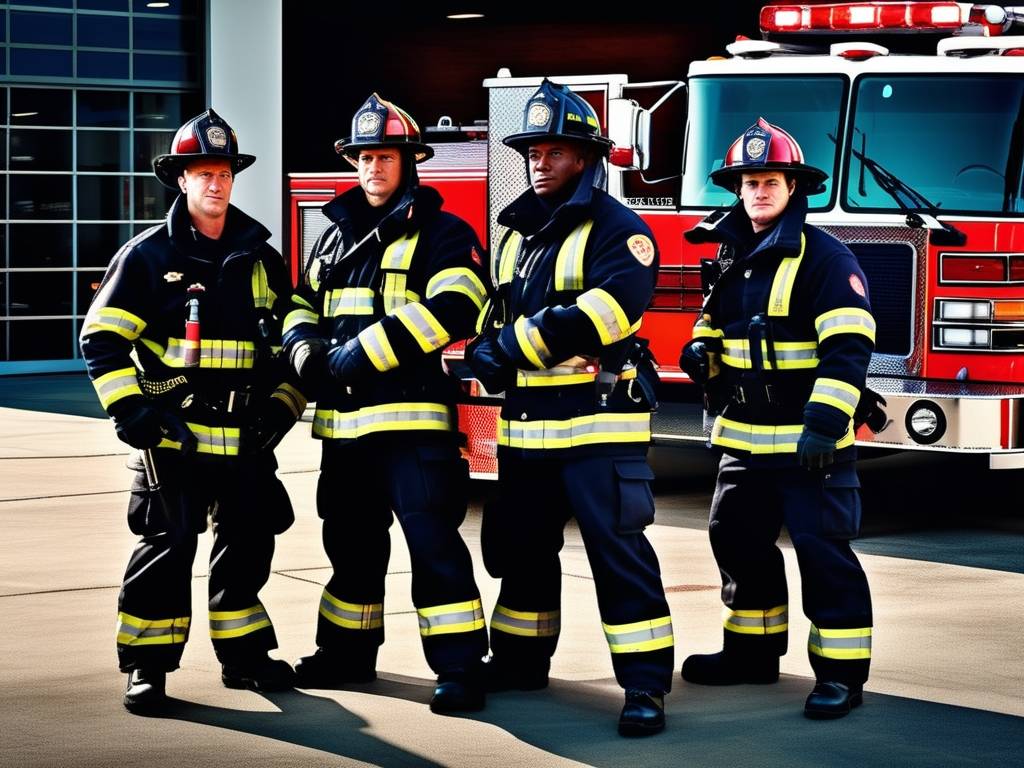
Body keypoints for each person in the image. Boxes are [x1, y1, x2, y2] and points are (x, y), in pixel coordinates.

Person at [80, 109, 305, 713]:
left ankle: (246, 659)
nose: (215, 183)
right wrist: (135, 414)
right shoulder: (148, 256)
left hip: (247, 437)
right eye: (201, 172)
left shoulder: (261, 257)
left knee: (250, 544)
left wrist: (279, 412)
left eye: (224, 171)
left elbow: (291, 341)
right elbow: (101, 339)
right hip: (174, 435)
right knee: (168, 544)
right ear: (179, 179)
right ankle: (147, 667)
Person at [468, 79, 673, 737]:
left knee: (619, 557)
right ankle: (521, 661)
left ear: (585, 156)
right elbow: (495, 312)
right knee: (522, 553)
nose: (539, 161)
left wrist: (508, 346)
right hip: (528, 432)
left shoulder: (623, 232)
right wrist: (477, 347)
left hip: (597, 432)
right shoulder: (519, 232)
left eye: (554, 150)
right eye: (532, 149)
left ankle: (645, 687)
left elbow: (608, 312)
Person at [281, 94, 491, 714]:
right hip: (345, 431)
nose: (373, 168)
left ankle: (458, 669)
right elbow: (299, 303)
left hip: (413, 428)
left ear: (410, 162)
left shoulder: (446, 232)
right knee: (350, 550)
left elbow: (457, 306)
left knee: (434, 549)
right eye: (365, 156)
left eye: (386, 157)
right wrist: (303, 349)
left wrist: (358, 354)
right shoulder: (332, 235)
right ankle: (347, 655)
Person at [678, 117, 876, 719]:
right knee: (736, 541)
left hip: (810, 444)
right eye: (749, 182)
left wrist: (824, 423)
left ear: (794, 187)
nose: (758, 191)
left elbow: (849, 345)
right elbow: (715, 321)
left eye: (770, 181)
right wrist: (700, 348)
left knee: (824, 555)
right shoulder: (732, 254)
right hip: (744, 441)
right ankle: (751, 655)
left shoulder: (825, 258)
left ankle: (841, 676)